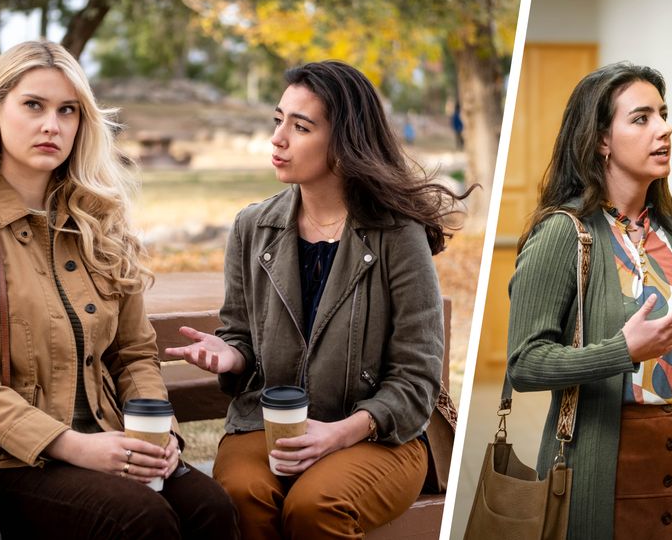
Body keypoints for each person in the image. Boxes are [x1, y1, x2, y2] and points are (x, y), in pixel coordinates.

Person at [0, 40, 238, 539]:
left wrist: (156, 430)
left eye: (68, 111)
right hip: (3, 463)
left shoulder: (97, 219)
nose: (51, 125)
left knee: (212, 508)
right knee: (140, 520)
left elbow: (135, 353)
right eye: (33, 106)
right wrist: (73, 447)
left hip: (107, 438)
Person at [165, 60, 466, 539]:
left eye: (300, 126)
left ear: (345, 142)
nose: (278, 138)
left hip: (378, 433)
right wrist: (233, 355)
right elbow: (239, 333)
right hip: (267, 427)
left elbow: (416, 377)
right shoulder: (252, 227)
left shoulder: (397, 235)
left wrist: (338, 434)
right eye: (278, 120)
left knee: (315, 505)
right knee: (242, 497)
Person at [506, 62, 672, 539]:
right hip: (606, 467)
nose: (664, 128)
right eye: (641, 118)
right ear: (601, 140)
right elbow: (524, 364)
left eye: (663, 113)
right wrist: (622, 351)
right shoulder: (563, 234)